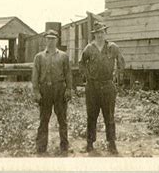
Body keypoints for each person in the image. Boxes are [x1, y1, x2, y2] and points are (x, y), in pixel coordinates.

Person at [79, 21, 125, 154]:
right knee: (91, 115)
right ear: (94, 35)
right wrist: (87, 76)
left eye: (102, 32)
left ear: (105, 33)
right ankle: (90, 143)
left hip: (107, 85)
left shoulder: (112, 47)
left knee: (109, 115)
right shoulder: (89, 48)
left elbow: (121, 61)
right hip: (92, 87)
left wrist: (118, 74)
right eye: (97, 33)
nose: (100, 35)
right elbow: (81, 64)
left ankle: (111, 144)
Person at [32, 29, 72, 155]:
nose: (50, 41)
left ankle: (64, 146)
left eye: (53, 39)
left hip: (59, 90)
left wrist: (69, 89)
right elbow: (35, 76)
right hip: (45, 91)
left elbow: (68, 74)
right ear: (45, 40)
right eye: (48, 39)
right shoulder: (39, 57)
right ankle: (41, 147)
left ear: (57, 40)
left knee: (62, 119)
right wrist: (36, 92)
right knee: (44, 119)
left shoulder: (63, 56)